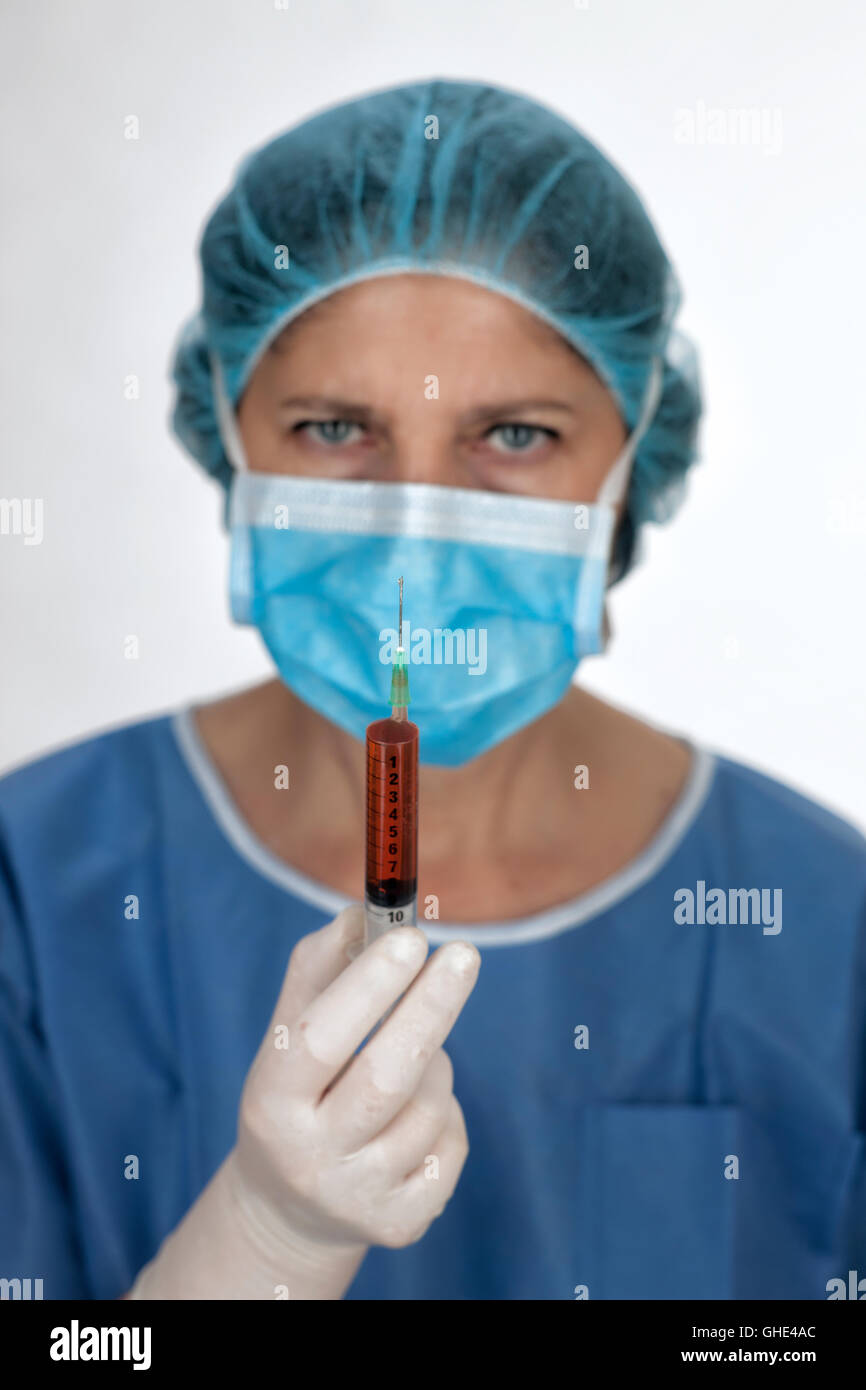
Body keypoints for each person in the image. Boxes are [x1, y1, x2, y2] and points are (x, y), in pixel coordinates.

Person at [1, 78, 864, 1302]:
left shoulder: (823, 923)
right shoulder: (33, 892)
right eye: (330, 428)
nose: (410, 533)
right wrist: (262, 1244)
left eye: (512, 435)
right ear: (226, 431)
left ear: (629, 465)